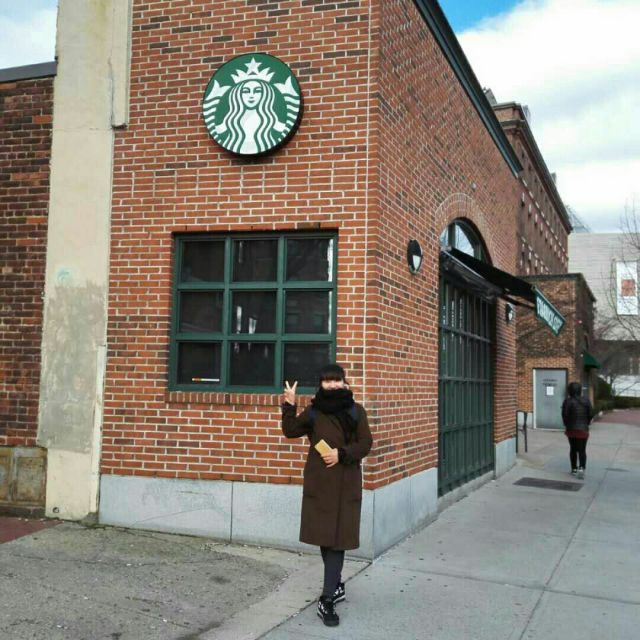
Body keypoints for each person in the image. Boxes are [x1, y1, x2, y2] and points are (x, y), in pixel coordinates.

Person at [281, 364, 372, 627]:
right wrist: (289, 405)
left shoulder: (356, 411)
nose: (332, 385)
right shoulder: (314, 411)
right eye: (327, 381)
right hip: (320, 483)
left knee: (337, 540)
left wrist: (341, 454)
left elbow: (365, 443)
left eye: (336, 380)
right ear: (321, 384)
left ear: (344, 382)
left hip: (345, 483)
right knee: (325, 537)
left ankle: (327, 598)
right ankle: (335, 585)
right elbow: (290, 431)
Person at [561, 382, 593, 479]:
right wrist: (586, 423)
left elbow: (565, 415)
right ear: (579, 390)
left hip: (571, 429)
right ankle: (582, 468)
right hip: (583, 429)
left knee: (573, 449)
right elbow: (591, 414)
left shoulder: (568, 401)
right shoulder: (586, 400)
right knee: (582, 450)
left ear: (570, 390)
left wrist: (567, 424)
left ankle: (574, 469)